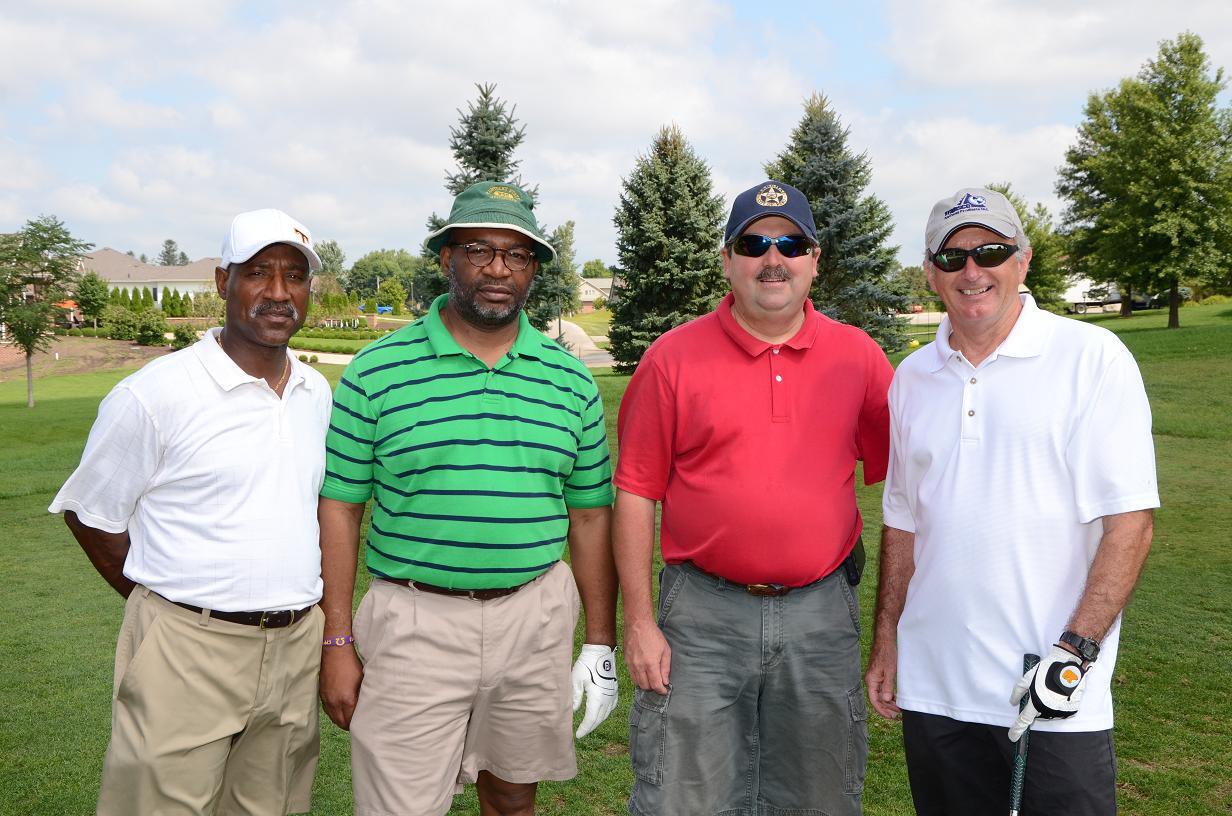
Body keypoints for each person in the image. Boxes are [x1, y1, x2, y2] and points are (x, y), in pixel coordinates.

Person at [317, 180, 618, 816]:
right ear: (446, 258)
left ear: (534, 268)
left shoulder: (568, 379)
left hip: (534, 619)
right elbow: (340, 509)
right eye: (478, 250)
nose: (499, 269)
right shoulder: (375, 372)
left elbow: (591, 517)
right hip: (414, 622)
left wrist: (599, 641)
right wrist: (337, 641)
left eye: (518, 254)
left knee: (512, 796)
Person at [866, 187, 1159, 815]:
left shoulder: (1092, 358)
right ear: (931, 274)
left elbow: (1130, 523)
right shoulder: (912, 378)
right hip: (938, 691)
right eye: (953, 258)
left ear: (1022, 261)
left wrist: (1075, 653)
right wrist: (887, 637)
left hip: (1052, 691)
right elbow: (903, 521)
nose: (973, 271)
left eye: (991, 251)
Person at [613, 180, 893, 815]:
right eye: (754, 242)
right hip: (701, 618)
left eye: (790, 242)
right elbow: (634, 494)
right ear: (728, 260)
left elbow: (910, 489)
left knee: (820, 794)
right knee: (682, 792)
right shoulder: (671, 358)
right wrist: (639, 623)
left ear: (814, 259)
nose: (774, 258)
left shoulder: (860, 358)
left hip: (822, 617)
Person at [49, 208, 332, 815]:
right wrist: (167, 604)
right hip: (187, 646)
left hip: (294, 644)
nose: (279, 293)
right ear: (223, 282)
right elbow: (90, 514)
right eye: (259, 273)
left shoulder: (315, 392)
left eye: (295, 277)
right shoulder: (154, 394)